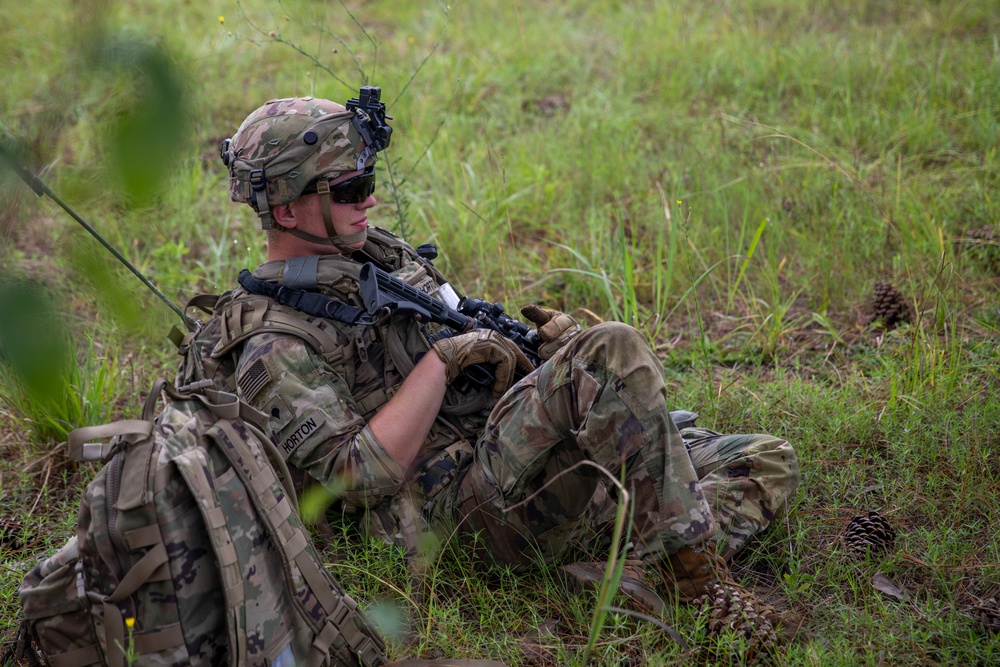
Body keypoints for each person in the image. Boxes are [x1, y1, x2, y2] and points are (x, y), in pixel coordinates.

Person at [179, 94, 800, 617]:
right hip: (451, 518)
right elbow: (356, 477)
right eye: (350, 188)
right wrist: (441, 364)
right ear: (287, 208)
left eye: (369, 181)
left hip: (505, 463)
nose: (368, 200)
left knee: (764, 459)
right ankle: (691, 583)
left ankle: (625, 572)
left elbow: (459, 324)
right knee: (610, 349)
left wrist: (540, 355)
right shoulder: (276, 339)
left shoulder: (375, 258)